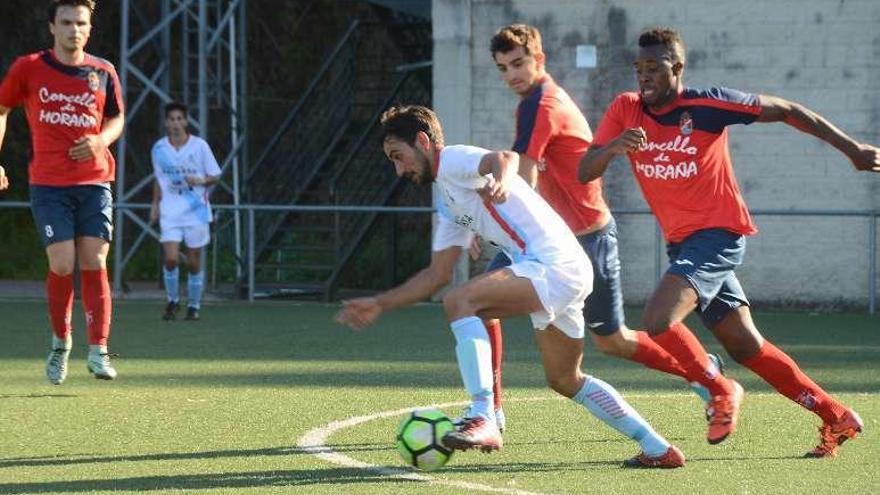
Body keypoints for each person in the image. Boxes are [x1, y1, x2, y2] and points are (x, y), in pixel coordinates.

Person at [579, 27, 878, 456]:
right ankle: (836, 415)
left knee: (659, 320)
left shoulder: (704, 106)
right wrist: (614, 149)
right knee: (745, 345)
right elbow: (584, 171)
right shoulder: (626, 109)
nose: (644, 77)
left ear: (677, 68)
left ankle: (720, 389)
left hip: (718, 235)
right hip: (683, 245)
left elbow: (787, 109)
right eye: (639, 69)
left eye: (654, 68)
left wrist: (850, 149)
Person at [336, 104, 685, 468]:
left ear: (423, 142)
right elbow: (436, 276)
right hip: (561, 270)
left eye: (399, 156)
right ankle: (658, 448)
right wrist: (381, 302)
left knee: (461, 301)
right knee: (566, 379)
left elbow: (503, 158)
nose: (399, 169)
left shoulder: (451, 159)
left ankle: (484, 413)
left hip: (553, 265)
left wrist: (501, 180)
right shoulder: (446, 199)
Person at [470, 24, 721, 430]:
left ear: (540, 60)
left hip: (586, 238)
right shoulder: (532, 102)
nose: (512, 74)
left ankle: (703, 373)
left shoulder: (543, 103)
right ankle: (491, 410)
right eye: (503, 68)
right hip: (550, 237)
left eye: (518, 63)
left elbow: (526, 178)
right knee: (479, 305)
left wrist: (485, 224)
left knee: (614, 341)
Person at [0, 0, 125, 384]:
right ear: (53, 27)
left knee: (94, 258)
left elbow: (116, 118)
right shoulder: (29, 68)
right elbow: (2, 108)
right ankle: (60, 344)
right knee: (62, 263)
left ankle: (99, 350)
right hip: (50, 183)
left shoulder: (103, 71)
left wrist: (100, 140)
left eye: (81, 23)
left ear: (90, 28)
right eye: (66, 22)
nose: (74, 29)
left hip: (94, 181)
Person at [149, 101, 221, 321]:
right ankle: (172, 301)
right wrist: (155, 205)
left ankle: (194, 305)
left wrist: (200, 179)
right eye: (172, 119)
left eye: (180, 119)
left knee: (193, 260)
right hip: (170, 210)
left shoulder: (199, 146)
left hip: (196, 210)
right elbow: (159, 179)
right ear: (166, 123)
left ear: (186, 121)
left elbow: (215, 175)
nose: (176, 123)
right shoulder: (159, 148)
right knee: (170, 258)